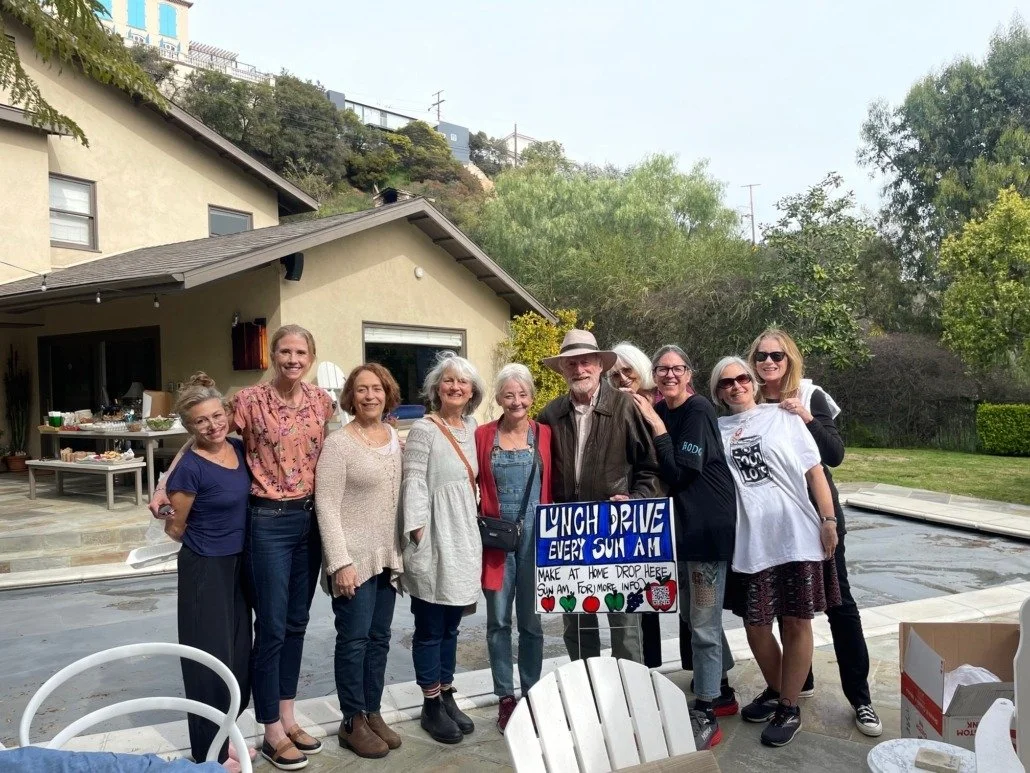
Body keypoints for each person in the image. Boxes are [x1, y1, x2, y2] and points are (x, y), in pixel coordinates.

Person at [154, 325, 334, 770]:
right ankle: (270, 729)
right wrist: (164, 479)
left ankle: (288, 717)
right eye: (284, 351)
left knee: (296, 622)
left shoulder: (321, 402)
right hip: (268, 521)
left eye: (300, 352)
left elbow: (333, 450)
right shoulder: (249, 401)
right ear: (273, 354)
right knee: (271, 626)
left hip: (308, 520)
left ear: (310, 357)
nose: (292, 358)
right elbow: (202, 433)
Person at [747, 329, 882, 737]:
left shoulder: (810, 395)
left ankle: (860, 698)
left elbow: (835, 455)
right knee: (783, 606)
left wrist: (805, 418)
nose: (769, 362)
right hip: (773, 524)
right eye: (761, 356)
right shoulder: (749, 402)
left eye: (777, 356)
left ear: (790, 359)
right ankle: (794, 684)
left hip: (816, 516)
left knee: (839, 604)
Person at [711, 356, 841, 748]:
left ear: (753, 381)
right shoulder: (715, 430)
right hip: (753, 541)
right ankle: (777, 687)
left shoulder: (782, 416)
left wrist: (829, 520)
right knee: (755, 625)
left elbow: (814, 470)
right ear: (718, 392)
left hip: (797, 533)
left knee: (797, 621)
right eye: (726, 382)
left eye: (742, 378)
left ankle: (788, 705)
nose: (736, 386)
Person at [630, 346, 737, 750]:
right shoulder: (669, 411)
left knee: (704, 623)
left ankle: (707, 706)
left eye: (677, 369)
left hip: (706, 530)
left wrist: (656, 422)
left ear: (689, 373)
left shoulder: (696, 411)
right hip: (682, 530)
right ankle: (721, 689)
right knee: (695, 618)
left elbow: (680, 471)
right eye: (662, 369)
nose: (669, 375)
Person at [537, 329, 661, 663]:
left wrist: (635, 500)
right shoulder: (549, 414)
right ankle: (587, 688)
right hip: (568, 534)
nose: (579, 369)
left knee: (625, 623)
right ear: (563, 370)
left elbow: (651, 467)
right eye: (571, 363)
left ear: (599, 365)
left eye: (585, 362)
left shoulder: (625, 406)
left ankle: (631, 696)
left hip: (616, 530)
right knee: (576, 623)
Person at [161, 373, 251, 768]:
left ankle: (227, 733)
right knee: (206, 663)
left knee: (237, 657)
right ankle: (206, 755)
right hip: (205, 568)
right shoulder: (190, 468)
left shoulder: (238, 448)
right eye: (202, 421)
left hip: (238, 565)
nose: (213, 425)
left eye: (217, 416)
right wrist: (206, 548)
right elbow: (174, 527)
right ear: (189, 427)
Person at [315, 363, 405, 759]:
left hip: (386, 558)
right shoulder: (338, 444)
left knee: (380, 640)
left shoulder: (392, 437)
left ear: (388, 394)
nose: (370, 396)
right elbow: (326, 506)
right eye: (362, 389)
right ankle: (351, 720)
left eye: (377, 389)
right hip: (353, 559)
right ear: (350, 397)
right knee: (353, 641)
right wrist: (339, 562)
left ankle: (372, 710)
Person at [401, 352, 485, 744]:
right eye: (448, 381)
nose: (455, 387)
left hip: (464, 536)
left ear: (472, 392)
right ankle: (430, 703)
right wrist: (418, 535)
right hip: (435, 537)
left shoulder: (472, 426)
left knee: (452, 624)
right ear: (437, 388)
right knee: (430, 626)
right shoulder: (424, 429)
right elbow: (414, 481)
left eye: (462, 382)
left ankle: (447, 692)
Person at [475, 364, 553, 733]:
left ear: (532, 398)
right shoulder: (482, 435)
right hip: (496, 540)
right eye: (509, 394)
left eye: (522, 394)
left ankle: (533, 692)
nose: (516, 401)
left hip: (538, 539)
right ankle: (506, 696)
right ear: (498, 399)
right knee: (498, 621)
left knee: (533, 623)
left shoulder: (546, 435)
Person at [608, 342, 664, 669]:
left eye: (627, 370)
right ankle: (647, 669)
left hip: (664, 508)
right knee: (642, 597)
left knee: (682, 602)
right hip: (633, 511)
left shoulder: (660, 401)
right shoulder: (618, 405)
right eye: (614, 373)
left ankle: (716, 681)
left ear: (641, 370)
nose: (622, 378)